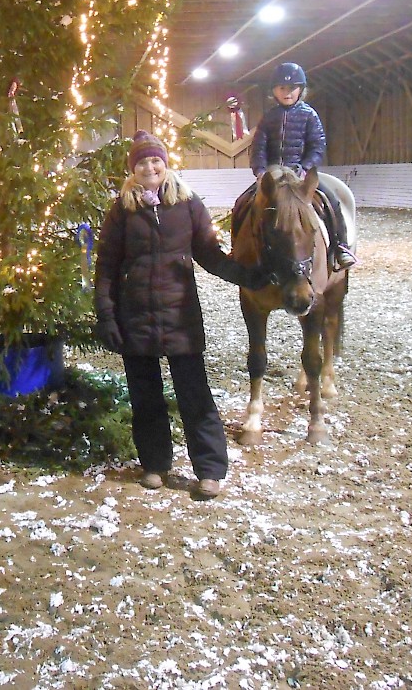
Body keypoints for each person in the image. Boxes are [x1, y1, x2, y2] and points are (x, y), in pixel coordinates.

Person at [94, 131, 267, 499]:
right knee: (146, 397)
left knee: (195, 395)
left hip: (180, 317)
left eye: (155, 160)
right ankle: (155, 465)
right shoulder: (121, 210)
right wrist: (107, 316)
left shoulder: (188, 203)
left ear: (165, 163)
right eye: (142, 162)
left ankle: (209, 469)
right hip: (135, 316)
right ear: (133, 169)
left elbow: (210, 253)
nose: (149, 167)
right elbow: (106, 267)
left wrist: (247, 276)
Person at [244, 62, 356, 270]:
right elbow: (258, 147)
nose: (287, 93)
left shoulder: (309, 116)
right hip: (273, 176)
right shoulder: (268, 119)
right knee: (243, 203)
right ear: (274, 91)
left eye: (292, 88)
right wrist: (260, 171)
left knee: (331, 201)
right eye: (282, 88)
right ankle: (241, 250)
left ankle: (340, 246)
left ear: (301, 90)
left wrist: (305, 167)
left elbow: (317, 146)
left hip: (300, 175)